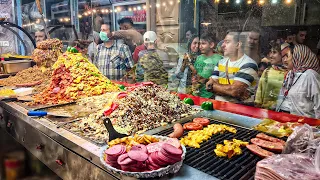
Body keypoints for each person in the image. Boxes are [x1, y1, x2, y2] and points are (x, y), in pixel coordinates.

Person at [206, 32, 258, 104]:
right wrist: (229, 90)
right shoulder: (221, 62)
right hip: (218, 106)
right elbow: (209, 85)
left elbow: (234, 91)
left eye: (227, 42)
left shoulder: (248, 64)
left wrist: (214, 87)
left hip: (239, 111)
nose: (223, 45)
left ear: (238, 44)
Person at [276, 44, 320, 118]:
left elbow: (318, 104)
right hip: (290, 123)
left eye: (287, 56)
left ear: (298, 55)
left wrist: (317, 126)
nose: (285, 60)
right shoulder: (290, 74)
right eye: (283, 57)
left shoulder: (311, 75)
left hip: (307, 125)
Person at [255, 42, 286, 110]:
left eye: (274, 52)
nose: (271, 56)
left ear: (283, 55)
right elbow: (259, 95)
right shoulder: (267, 71)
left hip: (283, 112)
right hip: (266, 111)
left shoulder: (290, 73)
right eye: (271, 52)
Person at [192, 33, 223, 98]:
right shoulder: (199, 58)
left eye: (203, 44)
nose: (200, 46)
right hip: (196, 93)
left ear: (211, 45)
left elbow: (221, 79)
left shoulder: (219, 59)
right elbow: (195, 73)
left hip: (211, 95)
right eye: (200, 43)